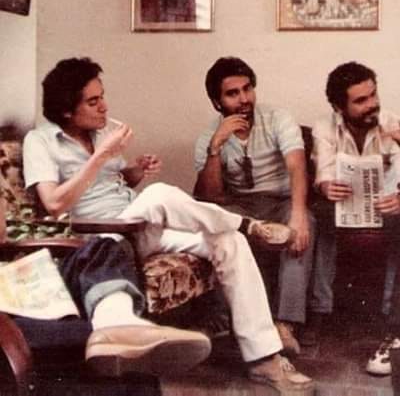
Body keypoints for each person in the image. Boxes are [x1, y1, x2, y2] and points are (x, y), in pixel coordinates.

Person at [23, 57, 313, 391]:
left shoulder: (99, 133)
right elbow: (54, 203)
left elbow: (110, 184)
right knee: (160, 194)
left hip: (135, 226)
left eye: (102, 96)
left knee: (228, 242)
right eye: (93, 101)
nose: (105, 106)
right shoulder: (40, 141)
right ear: (65, 111)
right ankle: (248, 224)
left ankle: (264, 359)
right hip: (98, 237)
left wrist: (134, 171)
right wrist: (101, 156)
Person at [194, 56, 315, 356]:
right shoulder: (209, 136)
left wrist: (299, 215)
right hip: (239, 205)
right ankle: (226, 322)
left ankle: (285, 325)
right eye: (232, 93)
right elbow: (211, 196)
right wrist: (216, 147)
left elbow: (297, 166)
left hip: (281, 200)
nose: (244, 99)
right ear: (217, 102)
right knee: (219, 227)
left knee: (302, 227)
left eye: (247, 89)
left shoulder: (277, 118)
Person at [308, 61, 400, 376]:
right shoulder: (325, 127)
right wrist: (325, 185)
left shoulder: (392, 123)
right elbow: (323, 170)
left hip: (386, 210)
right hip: (343, 208)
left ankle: (392, 323)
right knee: (317, 218)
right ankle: (319, 312)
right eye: (360, 100)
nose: (372, 104)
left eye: (373, 95)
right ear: (339, 107)